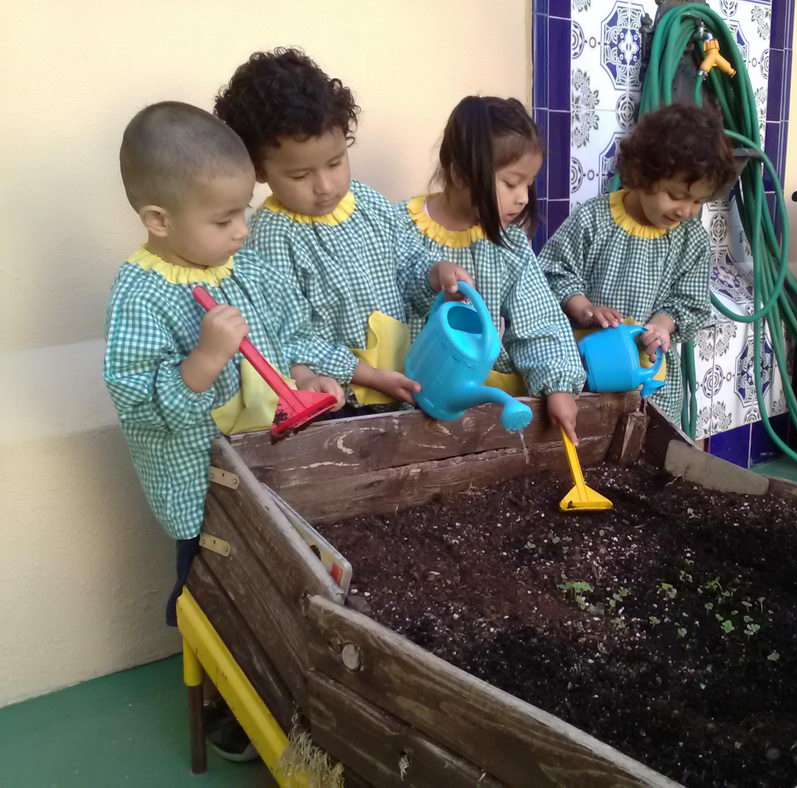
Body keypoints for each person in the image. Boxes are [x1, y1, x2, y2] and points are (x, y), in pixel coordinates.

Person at [105, 102, 356, 758]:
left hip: (266, 468)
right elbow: (136, 402)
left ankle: (272, 679)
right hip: (201, 489)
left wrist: (309, 376)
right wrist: (202, 363)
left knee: (274, 581)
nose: (243, 229)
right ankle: (224, 702)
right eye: (224, 218)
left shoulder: (245, 269)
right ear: (158, 220)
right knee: (216, 593)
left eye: (246, 209)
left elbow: (287, 341)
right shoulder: (142, 293)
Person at [215, 48, 471, 409]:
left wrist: (435, 274)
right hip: (339, 401)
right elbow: (287, 336)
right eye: (300, 175)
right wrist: (366, 375)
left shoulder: (368, 202)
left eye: (335, 162)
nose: (325, 186)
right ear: (258, 170)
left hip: (402, 383)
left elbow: (408, 268)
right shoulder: (272, 236)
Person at [398, 96, 585, 440]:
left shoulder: (509, 245)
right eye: (511, 183)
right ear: (460, 174)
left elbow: (538, 321)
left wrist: (558, 386)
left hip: (481, 417)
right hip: (404, 409)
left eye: (528, 183)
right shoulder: (399, 227)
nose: (524, 197)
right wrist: (431, 277)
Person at [538, 103, 734, 426]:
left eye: (697, 201)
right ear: (643, 174)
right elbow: (551, 272)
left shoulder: (691, 239)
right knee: (584, 440)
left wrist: (661, 326)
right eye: (674, 195)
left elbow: (689, 303)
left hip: (649, 380)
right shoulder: (594, 219)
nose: (685, 210)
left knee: (644, 449)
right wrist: (584, 308)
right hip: (586, 367)